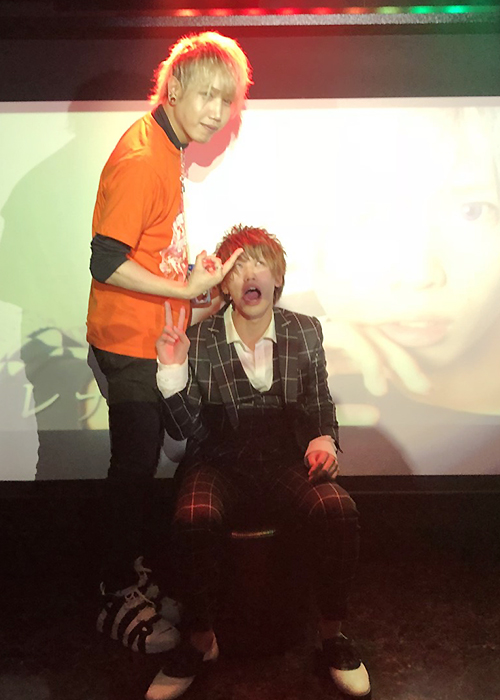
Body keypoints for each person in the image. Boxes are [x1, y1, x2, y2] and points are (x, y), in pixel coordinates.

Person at [149, 225, 371, 699]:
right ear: (223, 286)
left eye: (260, 264)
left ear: (278, 278)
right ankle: (200, 641)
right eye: (237, 267)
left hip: (283, 462)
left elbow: (318, 401)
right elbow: (184, 430)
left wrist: (323, 441)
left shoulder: (304, 331)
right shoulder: (200, 338)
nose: (250, 274)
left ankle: (332, 637)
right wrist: (171, 369)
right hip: (219, 462)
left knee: (338, 509)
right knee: (192, 517)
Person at [86, 32, 252, 652]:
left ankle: (130, 575)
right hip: (127, 343)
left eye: (227, 101)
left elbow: (149, 251)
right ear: (174, 87)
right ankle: (113, 594)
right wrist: (186, 289)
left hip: (151, 337)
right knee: (133, 469)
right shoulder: (142, 157)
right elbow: (106, 262)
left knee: (144, 467)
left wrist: (195, 290)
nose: (216, 111)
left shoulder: (166, 147)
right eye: (207, 95)